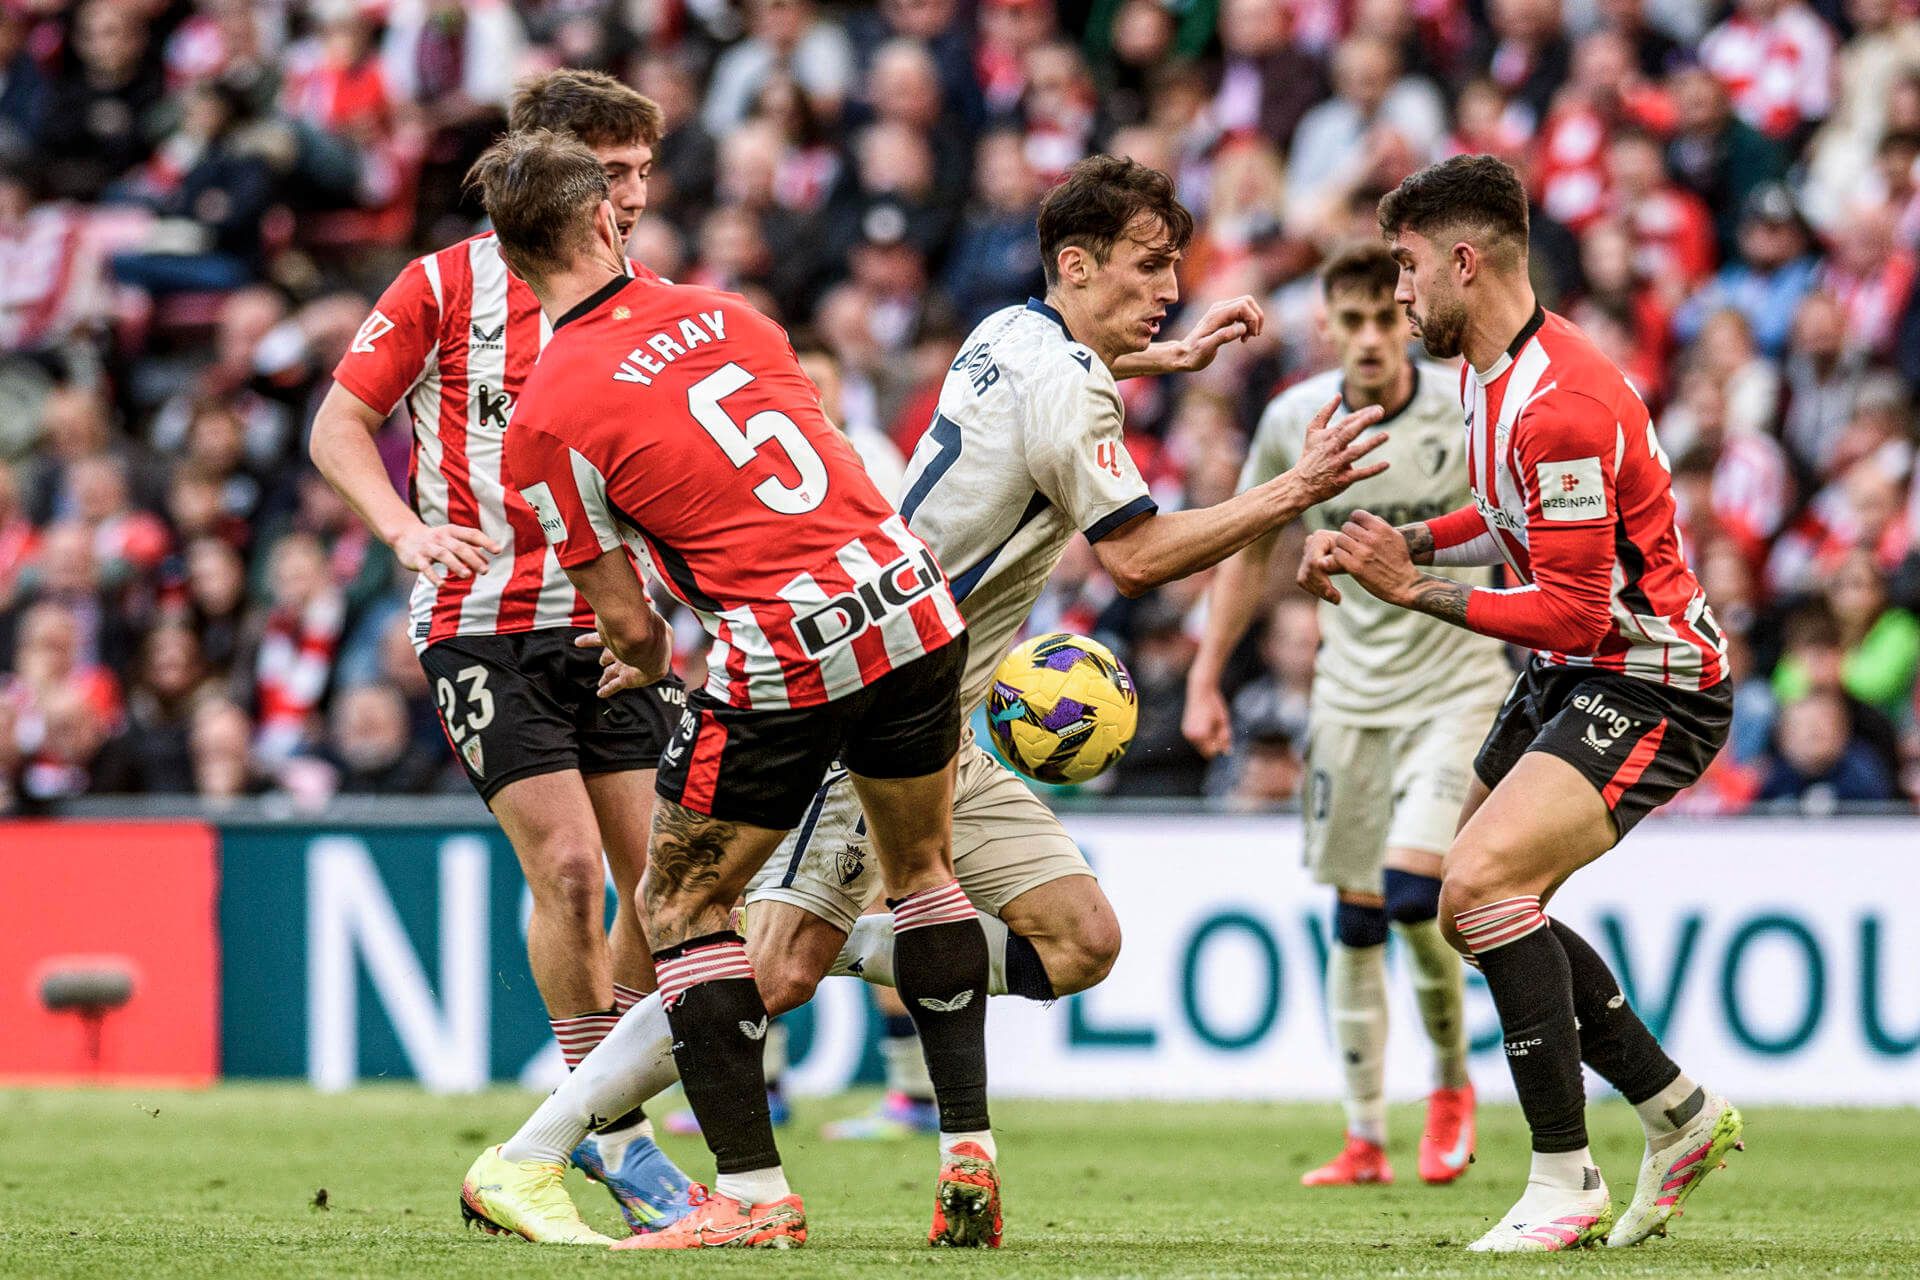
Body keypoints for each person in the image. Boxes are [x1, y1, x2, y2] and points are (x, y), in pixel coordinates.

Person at [470, 152, 1388, 1246]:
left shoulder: (1005, 331)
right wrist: (1295, 489)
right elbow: (1137, 557)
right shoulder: (743, 319)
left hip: (894, 672)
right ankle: (554, 1139)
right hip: (900, 659)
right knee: (778, 959)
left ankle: (743, 1111)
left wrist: (1161, 356)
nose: (1171, 288)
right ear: (1076, 264)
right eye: (1151, 267)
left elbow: (1055, 395)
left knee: (1074, 939)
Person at [469, 128, 977, 1252]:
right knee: (924, 873)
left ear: (509, 259)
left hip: (790, 640)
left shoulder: (543, 416)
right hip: (912, 596)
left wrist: (651, 656)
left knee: (678, 906)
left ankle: (749, 1192)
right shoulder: (733, 313)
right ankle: (966, 1157)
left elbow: (629, 625)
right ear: (604, 217)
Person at [1314, 154, 1743, 1252]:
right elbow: (1500, 512)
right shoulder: (1495, 372)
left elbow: (1577, 611)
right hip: (1581, 672)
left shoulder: (1562, 404)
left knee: (1483, 884)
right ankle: (1679, 1113)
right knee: (1467, 904)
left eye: (1407, 267)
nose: (1400, 292)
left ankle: (1563, 1180)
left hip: (1652, 679)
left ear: (1464, 261)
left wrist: (1415, 590)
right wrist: (1400, 540)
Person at [305, 70, 693, 1235]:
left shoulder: (651, 304)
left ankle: (594, 1108)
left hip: (610, 624)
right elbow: (339, 424)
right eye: (610, 173)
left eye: (642, 172)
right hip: (480, 622)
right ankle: (615, 1130)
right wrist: (403, 529)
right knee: (569, 869)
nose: (632, 197)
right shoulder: (440, 286)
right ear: (547, 171)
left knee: (667, 890)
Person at [1184, 241, 1505, 1190]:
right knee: (1356, 915)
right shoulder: (1295, 419)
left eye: (1383, 318)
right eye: (1351, 321)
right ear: (1326, 326)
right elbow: (1248, 549)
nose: (1369, 338)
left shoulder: (1462, 408)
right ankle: (1364, 1135)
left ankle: (1450, 1084)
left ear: (1406, 321)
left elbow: (1514, 522)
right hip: (1349, 698)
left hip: (1455, 686)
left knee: (1413, 893)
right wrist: (1206, 676)